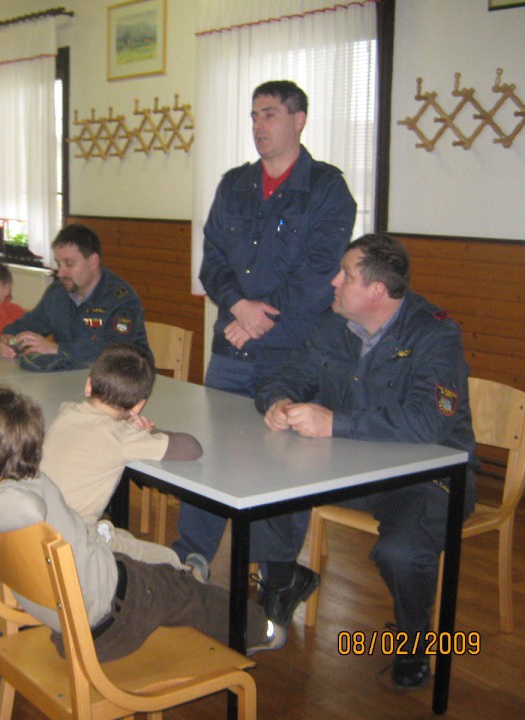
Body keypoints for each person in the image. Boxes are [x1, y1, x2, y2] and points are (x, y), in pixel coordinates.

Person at [251, 234, 476, 691]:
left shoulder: (434, 334)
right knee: (260, 483)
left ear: (376, 291)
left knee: (402, 552)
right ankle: (282, 577)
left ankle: (414, 642)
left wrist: (336, 422)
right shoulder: (333, 324)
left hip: (426, 477)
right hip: (347, 467)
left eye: (346, 275)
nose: (334, 281)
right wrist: (278, 400)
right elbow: (285, 375)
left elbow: (429, 422)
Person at [0, 386, 278, 664]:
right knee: (187, 594)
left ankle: (185, 573)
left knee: (150, 569)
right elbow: (27, 505)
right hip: (112, 621)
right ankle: (260, 628)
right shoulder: (28, 483)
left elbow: (14, 505)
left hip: (82, 615)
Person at [174, 79, 358, 565]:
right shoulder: (234, 183)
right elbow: (211, 260)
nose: (259, 125)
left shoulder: (327, 188)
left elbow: (319, 275)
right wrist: (238, 305)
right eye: (254, 115)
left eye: (270, 114)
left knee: (285, 467)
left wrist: (259, 317)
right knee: (208, 457)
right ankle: (190, 560)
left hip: (292, 355)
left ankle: (275, 578)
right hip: (231, 349)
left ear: (299, 120)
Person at [40, 344, 203, 573]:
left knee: (123, 536)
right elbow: (191, 448)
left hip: (36, 534)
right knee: (167, 558)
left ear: (88, 385)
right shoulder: (122, 437)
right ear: (138, 406)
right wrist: (150, 433)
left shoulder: (66, 411)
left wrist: (128, 427)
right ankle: (190, 574)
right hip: (75, 544)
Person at [0, 224, 150, 372]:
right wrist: (9, 338)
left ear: (93, 261)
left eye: (69, 264)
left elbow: (115, 350)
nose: (60, 272)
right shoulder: (57, 293)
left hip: (124, 381)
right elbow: (29, 323)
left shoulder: (122, 299)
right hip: (71, 376)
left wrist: (56, 348)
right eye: (59, 264)